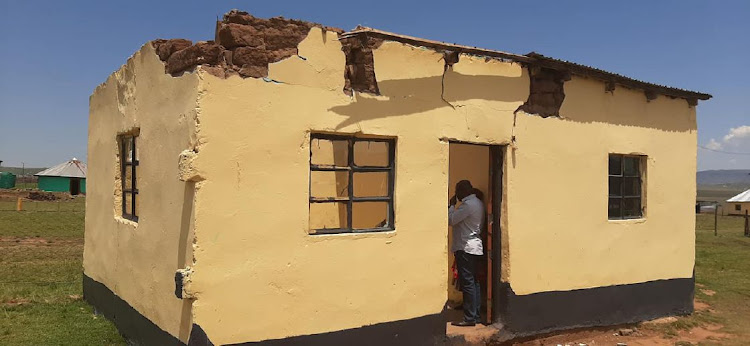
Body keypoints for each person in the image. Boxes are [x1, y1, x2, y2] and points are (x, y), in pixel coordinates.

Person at [448, 180, 484, 326]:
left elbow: (451, 220)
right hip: (474, 247)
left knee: (468, 282)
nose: (457, 195)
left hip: (466, 248)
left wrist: (451, 205)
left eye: (458, 191)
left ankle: (469, 318)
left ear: (463, 191)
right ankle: (475, 315)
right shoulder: (478, 203)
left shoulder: (468, 205)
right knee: (474, 282)